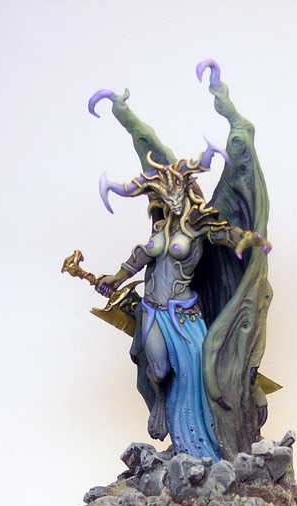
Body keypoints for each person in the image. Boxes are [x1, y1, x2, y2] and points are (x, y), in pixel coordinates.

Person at [89, 60, 274, 462]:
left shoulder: (200, 224)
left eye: (178, 188)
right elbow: (141, 256)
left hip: (184, 314)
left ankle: (208, 448)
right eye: (165, 190)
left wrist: (249, 239)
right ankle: (160, 403)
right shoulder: (161, 227)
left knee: (199, 378)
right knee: (158, 370)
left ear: (187, 187)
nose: (173, 196)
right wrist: (115, 277)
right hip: (153, 310)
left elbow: (226, 236)